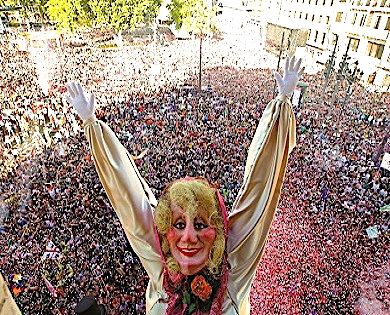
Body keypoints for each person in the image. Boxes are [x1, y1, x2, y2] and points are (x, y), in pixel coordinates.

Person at [65, 56, 304, 314]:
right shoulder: (160, 269)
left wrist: (281, 108)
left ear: (220, 233)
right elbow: (129, 197)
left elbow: (258, 194)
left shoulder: (234, 272)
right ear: (165, 231)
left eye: (200, 224)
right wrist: (93, 129)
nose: (188, 237)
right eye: (179, 225)